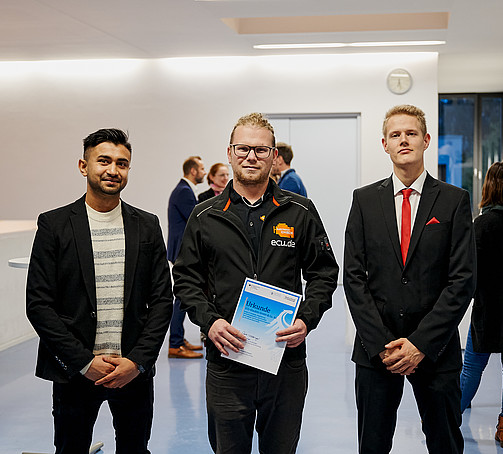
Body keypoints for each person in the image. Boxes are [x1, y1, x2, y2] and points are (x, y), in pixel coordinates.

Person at [173, 112, 339, 453]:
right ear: (230, 152)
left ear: (274, 156)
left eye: (261, 150)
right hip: (227, 360)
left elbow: (324, 271)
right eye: (243, 148)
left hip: (285, 362)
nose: (252, 156)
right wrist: (210, 321)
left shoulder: (300, 211)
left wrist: (307, 318)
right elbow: (186, 278)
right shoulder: (205, 216)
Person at [26, 128, 173, 454]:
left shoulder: (146, 226)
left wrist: (137, 362)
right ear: (83, 165)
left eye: (122, 163)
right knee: (71, 448)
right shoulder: (55, 225)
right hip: (75, 372)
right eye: (103, 160)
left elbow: (162, 300)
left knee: (135, 449)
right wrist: (83, 362)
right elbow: (39, 304)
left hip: (131, 372)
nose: (113, 170)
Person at [343, 104, 476, 454]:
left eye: (411, 133)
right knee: (372, 444)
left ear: (426, 140)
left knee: (445, 442)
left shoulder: (453, 201)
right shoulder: (363, 201)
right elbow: (354, 278)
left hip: (436, 349)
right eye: (395, 134)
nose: (404, 140)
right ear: (384, 144)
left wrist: (420, 344)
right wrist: (383, 345)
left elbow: (462, 279)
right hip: (377, 351)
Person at [460, 162, 503, 449]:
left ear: (489, 187)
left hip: (488, 308)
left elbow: (470, 271)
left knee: (472, 366)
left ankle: (450, 413)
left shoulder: (481, 225)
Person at [167, 156, 206, 359]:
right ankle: (174, 343)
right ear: (192, 171)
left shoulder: (184, 190)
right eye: (201, 168)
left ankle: (178, 339)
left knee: (181, 297)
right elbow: (196, 222)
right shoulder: (184, 191)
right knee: (181, 297)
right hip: (183, 252)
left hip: (180, 250)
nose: (204, 172)